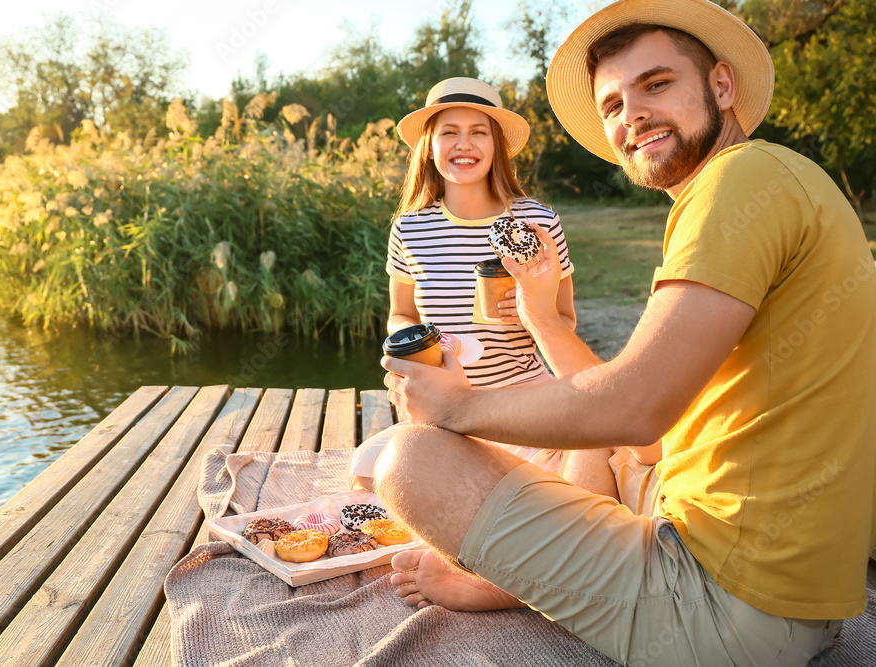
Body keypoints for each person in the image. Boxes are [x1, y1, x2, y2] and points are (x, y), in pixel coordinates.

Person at [373, 1, 876, 665]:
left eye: (657, 84)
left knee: (409, 458)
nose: (631, 114)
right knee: (612, 454)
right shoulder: (771, 180)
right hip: (789, 592)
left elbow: (636, 404)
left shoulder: (739, 180)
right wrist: (543, 317)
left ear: (721, 86)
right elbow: (650, 430)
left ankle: (503, 583)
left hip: (727, 612)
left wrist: (457, 405)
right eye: (612, 103)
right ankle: (553, 564)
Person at [387, 76, 576, 388]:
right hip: (440, 394)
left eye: (478, 132)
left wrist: (534, 314)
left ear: (496, 146)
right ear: (431, 148)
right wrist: (423, 342)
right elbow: (400, 316)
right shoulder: (409, 229)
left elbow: (566, 319)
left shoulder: (538, 224)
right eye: (449, 133)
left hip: (525, 393)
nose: (464, 143)